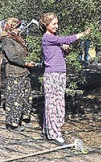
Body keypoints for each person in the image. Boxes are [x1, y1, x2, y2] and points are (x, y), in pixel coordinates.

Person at [39, 12, 92, 146]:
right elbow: (67, 39)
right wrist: (83, 34)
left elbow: (62, 50)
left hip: (59, 73)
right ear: (46, 25)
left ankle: (49, 130)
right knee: (54, 103)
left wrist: (66, 50)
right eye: (54, 24)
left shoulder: (54, 38)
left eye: (57, 23)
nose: (56, 26)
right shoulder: (47, 37)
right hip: (53, 74)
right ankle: (54, 134)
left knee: (55, 102)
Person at [0, 18, 35, 132]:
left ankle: (23, 119)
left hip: (24, 72)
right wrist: (25, 63)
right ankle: (12, 124)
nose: (19, 29)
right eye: (17, 27)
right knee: (14, 97)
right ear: (11, 27)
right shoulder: (7, 40)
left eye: (19, 27)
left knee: (25, 97)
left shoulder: (17, 39)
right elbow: (12, 57)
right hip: (14, 72)